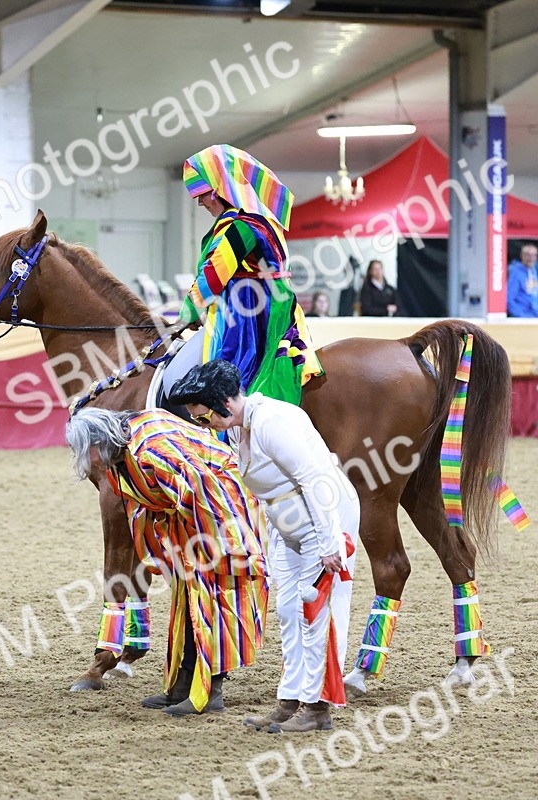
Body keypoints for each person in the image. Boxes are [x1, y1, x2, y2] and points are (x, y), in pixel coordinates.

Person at [171, 360, 358, 732]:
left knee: (314, 612)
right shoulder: (237, 428)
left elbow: (314, 480)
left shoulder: (272, 423)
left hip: (322, 517)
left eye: (202, 414)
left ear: (224, 401)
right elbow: (269, 491)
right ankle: (290, 700)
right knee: (288, 611)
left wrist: (329, 542)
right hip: (287, 526)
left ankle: (317, 708)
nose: (200, 423)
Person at [64, 406, 268, 717]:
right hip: (191, 516)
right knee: (186, 601)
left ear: (97, 443)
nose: (81, 458)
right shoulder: (121, 458)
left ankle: (210, 692)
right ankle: (181, 686)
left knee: (211, 599)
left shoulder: (152, 451)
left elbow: (202, 489)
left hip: (217, 512)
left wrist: (214, 546)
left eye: (81, 449)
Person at [178, 144, 318, 405]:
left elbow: (213, 277)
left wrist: (186, 314)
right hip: (269, 305)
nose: (199, 202)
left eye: (202, 194)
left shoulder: (241, 227)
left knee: (226, 387)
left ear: (219, 189)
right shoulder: (262, 220)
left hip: (249, 318)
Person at [506, 244, 538, 318]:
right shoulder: (516, 273)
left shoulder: (534, 271)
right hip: (522, 317)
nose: (531, 258)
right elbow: (509, 298)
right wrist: (521, 315)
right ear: (522, 256)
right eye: (528, 255)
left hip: (534, 315)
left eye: (534, 255)